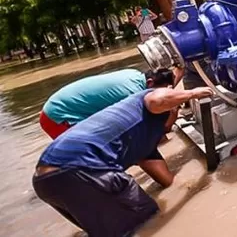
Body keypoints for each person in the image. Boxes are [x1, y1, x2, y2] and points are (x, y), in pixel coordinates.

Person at [33, 86, 214, 237]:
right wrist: (192, 93)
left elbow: (167, 181)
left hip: (45, 181)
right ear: (171, 109)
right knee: (145, 218)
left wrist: (194, 189)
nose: (174, 122)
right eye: (176, 114)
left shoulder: (143, 140)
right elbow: (158, 99)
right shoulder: (147, 100)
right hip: (79, 168)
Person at [39, 67, 184, 187]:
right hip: (58, 116)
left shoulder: (135, 76)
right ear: (150, 83)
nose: (162, 98)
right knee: (89, 161)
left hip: (61, 107)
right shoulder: (134, 95)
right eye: (162, 93)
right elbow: (140, 140)